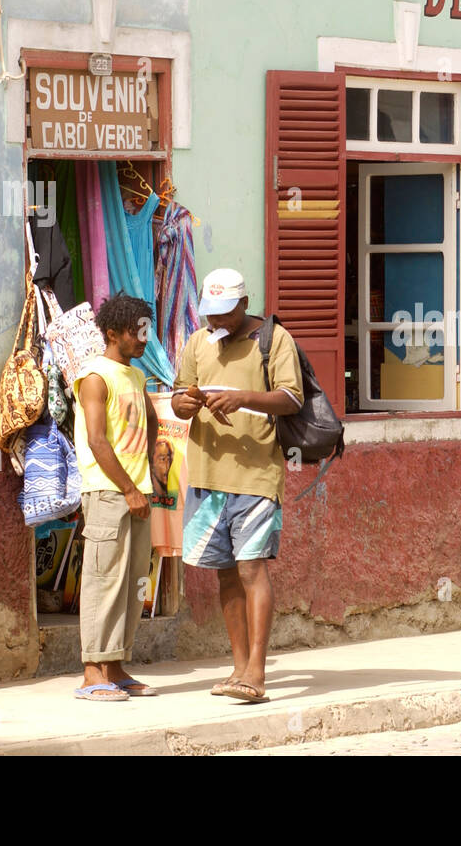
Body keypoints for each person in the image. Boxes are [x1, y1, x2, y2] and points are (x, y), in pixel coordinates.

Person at [172, 269, 302, 704]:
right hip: (207, 475)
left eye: (226, 314)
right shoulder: (197, 341)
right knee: (225, 573)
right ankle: (239, 668)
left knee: (251, 569)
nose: (218, 323)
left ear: (244, 305)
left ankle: (258, 674)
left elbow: (292, 398)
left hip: (256, 474)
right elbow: (177, 396)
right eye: (212, 314)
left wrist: (242, 397)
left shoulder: (273, 339)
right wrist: (185, 402)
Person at [72, 293, 160, 700]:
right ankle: (93, 673)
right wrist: (128, 487)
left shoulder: (137, 377)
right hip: (109, 494)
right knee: (103, 580)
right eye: (135, 331)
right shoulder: (95, 376)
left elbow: (151, 421)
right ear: (112, 333)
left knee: (132, 582)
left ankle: (117, 666)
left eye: (146, 329)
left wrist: (150, 477)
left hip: (137, 493)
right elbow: (96, 439)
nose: (144, 338)